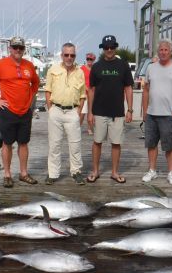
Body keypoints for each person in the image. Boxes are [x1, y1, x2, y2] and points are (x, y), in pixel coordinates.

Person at [0, 36, 40, 188]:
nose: (18, 50)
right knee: (7, 143)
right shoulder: (0, 64)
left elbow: (36, 82)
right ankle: (7, 174)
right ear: (10, 48)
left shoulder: (29, 65)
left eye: (20, 48)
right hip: (8, 110)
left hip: (25, 111)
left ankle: (23, 173)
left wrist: (30, 96)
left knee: (24, 143)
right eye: (15, 47)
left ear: (24, 49)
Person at [86, 35, 134, 184]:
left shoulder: (123, 65)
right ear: (102, 48)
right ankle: (95, 171)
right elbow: (91, 90)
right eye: (106, 47)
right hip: (99, 112)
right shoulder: (96, 66)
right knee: (97, 142)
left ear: (115, 48)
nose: (109, 50)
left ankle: (114, 172)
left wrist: (130, 110)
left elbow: (128, 88)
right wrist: (90, 112)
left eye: (111, 47)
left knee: (116, 143)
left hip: (117, 113)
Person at [141, 39, 172, 186]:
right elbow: (146, 90)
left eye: (166, 50)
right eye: (161, 50)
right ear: (158, 51)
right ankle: (152, 170)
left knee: (169, 146)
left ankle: (171, 172)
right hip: (151, 113)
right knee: (151, 144)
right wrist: (144, 111)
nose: (163, 52)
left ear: (170, 51)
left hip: (169, 115)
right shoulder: (151, 67)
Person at [44, 42, 86, 185]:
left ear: (75, 56)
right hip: (55, 110)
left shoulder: (80, 72)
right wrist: (50, 109)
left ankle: (76, 172)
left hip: (72, 111)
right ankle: (53, 174)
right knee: (54, 145)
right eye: (66, 55)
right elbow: (48, 90)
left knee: (75, 145)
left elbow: (82, 95)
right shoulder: (53, 69)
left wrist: (78, 111)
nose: (69, 57)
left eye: (72, 55)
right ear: (62, 55)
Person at [81, 52, 96, 135]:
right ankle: (77, 127)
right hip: (84, 93)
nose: (89, 60)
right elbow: (80, 81)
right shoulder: (82, 68)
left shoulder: (95, 68)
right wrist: (87, 89)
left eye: (91, 59)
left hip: (93, 93)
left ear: (94, 60)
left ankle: (90, 128)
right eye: (88, 59)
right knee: (82, 112)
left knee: (92, 112)